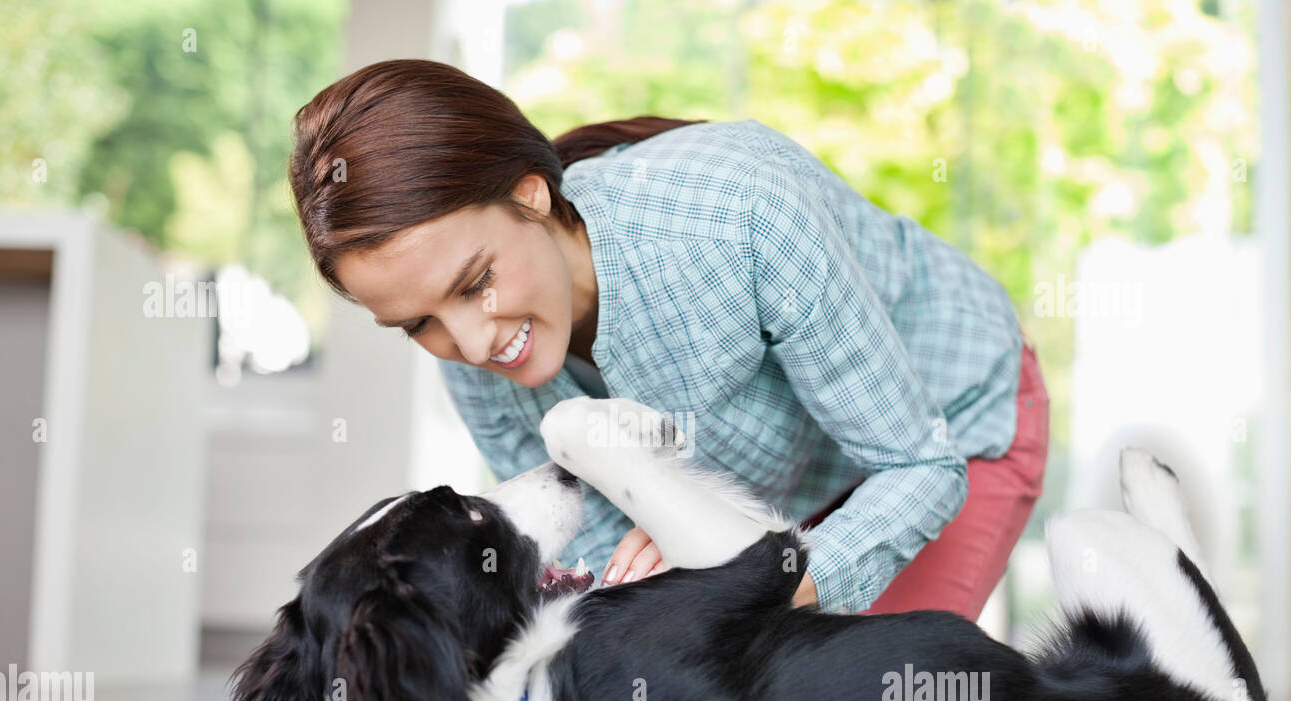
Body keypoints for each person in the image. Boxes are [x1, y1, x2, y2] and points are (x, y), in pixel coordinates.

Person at [286, 58, 1049, 619]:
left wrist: (761, 580)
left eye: (473, 281)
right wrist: (667, 571)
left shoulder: (737, 210)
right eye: (418, 322)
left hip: (948, 426)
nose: (472, 344)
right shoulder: (470, 358)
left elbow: (918, 463)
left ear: (530, 195)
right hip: (764, 512)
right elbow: (603, 564)